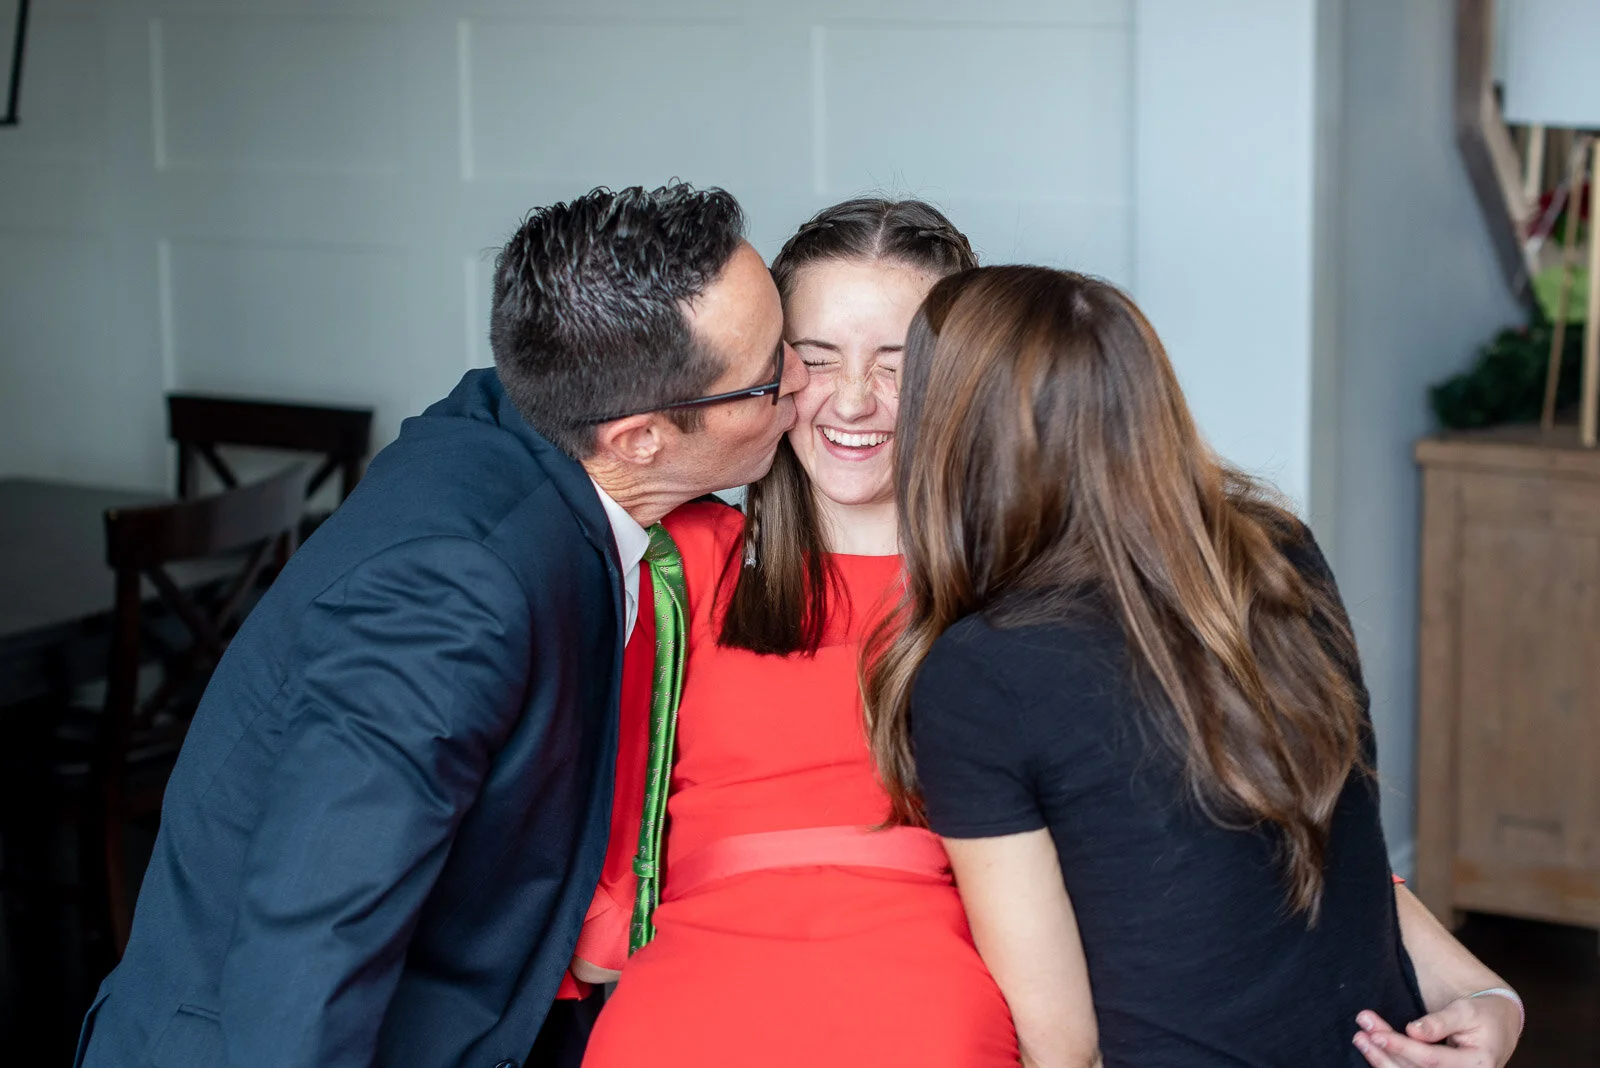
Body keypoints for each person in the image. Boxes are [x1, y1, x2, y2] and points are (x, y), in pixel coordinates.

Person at [75, 183, 805, 1068]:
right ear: (639, 436)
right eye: (772, 374)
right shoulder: (452, 595)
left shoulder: (526, 411)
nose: (802, 382)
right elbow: (312, 946)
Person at [868, 265, 1523, 1068]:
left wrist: (1489, 993)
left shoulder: (979, 675)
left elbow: (1062, 1046)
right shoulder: (1276, 554)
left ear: (949, 435)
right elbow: (1332, 866)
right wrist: (1495, 996)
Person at [575, 200, 1020, 1066]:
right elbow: (611, 793)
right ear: (766, 373)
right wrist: (606, 929)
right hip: (686, 998)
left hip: (924, 999)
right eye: (816, 360)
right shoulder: (681, 560)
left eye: (898, 366)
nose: (853, 399)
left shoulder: (1015, 590)